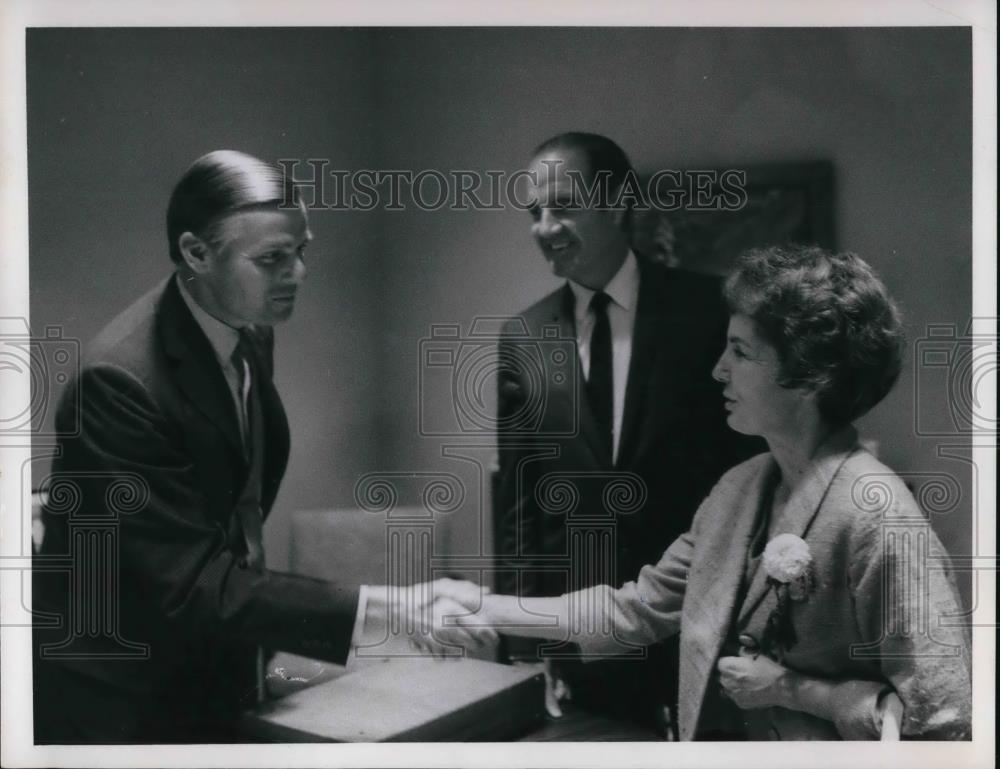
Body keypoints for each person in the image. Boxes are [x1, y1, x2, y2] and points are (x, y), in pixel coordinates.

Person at [32, 150, 490, 744]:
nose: (298, 273)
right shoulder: (117, 382)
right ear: (197, 253)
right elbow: (187, 585)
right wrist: (393, 609)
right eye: (272, 258)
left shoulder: (249, 331)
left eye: (301, 252)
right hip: (121, 691)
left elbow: (235, 519)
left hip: (210, 658)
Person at [483, 245, 971, 740]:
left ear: (808, 373)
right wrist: (481, 606)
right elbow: (634, 610)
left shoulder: (879, 513)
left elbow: (944, 722)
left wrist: (791, 689)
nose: (718, 369)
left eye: (740, 351)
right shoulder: (739, 490)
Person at [494, 132, 760, 732]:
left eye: (562, 205)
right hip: (584, 619)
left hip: (699, 606)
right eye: (534, 212)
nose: (544, 227)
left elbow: (751, 468)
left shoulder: (708, 311)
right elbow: (518, 503)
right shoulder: (523, 337)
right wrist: (525, 632)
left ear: (615, 204)